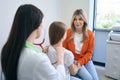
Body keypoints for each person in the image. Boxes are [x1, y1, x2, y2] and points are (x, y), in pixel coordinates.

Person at [1, 4, 66, 80]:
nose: (42, 26)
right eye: (41, 23)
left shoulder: (7, 49)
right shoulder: (38, 58)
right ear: (37, 25)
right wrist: (60, 57)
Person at [63, 9, 99, 80]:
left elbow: (89, 53)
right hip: (73, 60)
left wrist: (80, 63)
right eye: (75, 19)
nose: (77, 22)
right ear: (73, 21)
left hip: (85, 60)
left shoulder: (90, 34)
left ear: (84, 21)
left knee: (95, 79)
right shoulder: (68, 32)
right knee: (89, 78)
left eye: (80, 19)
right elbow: (62, 47)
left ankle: (76, 75)